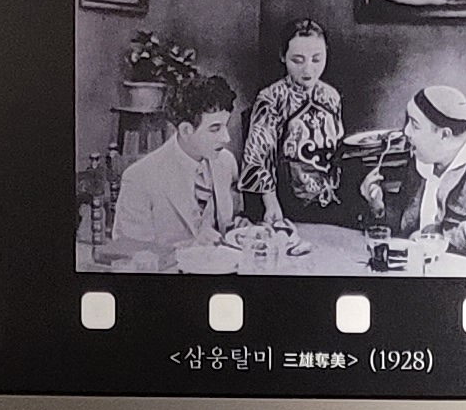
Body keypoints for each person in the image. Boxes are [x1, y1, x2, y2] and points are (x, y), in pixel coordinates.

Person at [360, 84, 466, 263]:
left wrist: (428, 237)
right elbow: (405, 223)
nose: (406, 132)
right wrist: (378, 206)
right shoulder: (423, 157)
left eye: (414, 125)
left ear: (444, 135)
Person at [111, 74, 239, 258]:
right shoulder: (139, 178)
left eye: (225, 126)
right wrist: (188, 247)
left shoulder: (225, 162)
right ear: (186, 130)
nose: (226, 138)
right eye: (215, 129)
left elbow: (226, 225)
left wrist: (239, 226)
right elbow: (130, 254)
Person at [240, 18, 344, 223]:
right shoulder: (271, 98)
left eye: (317, 59)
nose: (308, 70)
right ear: (283, 56)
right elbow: (258, 156)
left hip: (328, 197)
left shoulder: (331, 96)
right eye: (297, 60)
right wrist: (271, 204)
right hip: (285, 202)